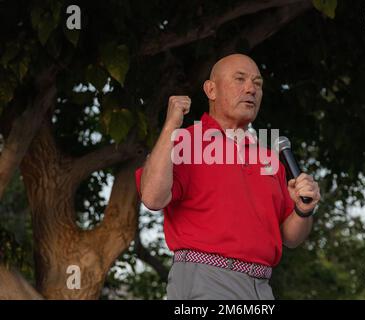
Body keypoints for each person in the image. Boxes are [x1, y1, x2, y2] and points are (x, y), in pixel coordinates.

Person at [135, 54, 321, 300]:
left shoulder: (269, 158)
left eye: (257, 83)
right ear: (211, 89)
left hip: (261, 286)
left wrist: (303, 209)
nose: (251, 89)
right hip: (206, 279)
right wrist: (171, 126)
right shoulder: (185, 142)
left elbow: (291, 237)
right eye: (240, 79)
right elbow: (152, 197)